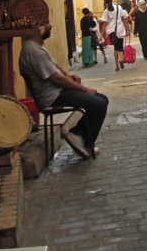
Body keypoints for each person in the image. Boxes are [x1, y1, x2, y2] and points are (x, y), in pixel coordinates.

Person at [19, 25, 108, 159]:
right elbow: (56, 79)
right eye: (46, 24)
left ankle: (82, 138)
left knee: (102, 99)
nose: (50, 26)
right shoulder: (33, 50)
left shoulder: (37, 47)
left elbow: (54, 65)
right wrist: (85, 89)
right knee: (98, 103)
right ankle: (80, 137)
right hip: (52, 97)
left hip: (58, 92)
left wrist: (67, 74)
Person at [99, 0, 130, 71]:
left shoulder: (106, 11)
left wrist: (102, 35)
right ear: (112, 1)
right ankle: (121, 59)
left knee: (115, 47)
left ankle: (116, 65)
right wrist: (127, 30)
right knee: (120, 46)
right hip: (120, 30)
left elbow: (104, 24)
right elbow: (123, 19)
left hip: (112, 31)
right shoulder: (118, 7)